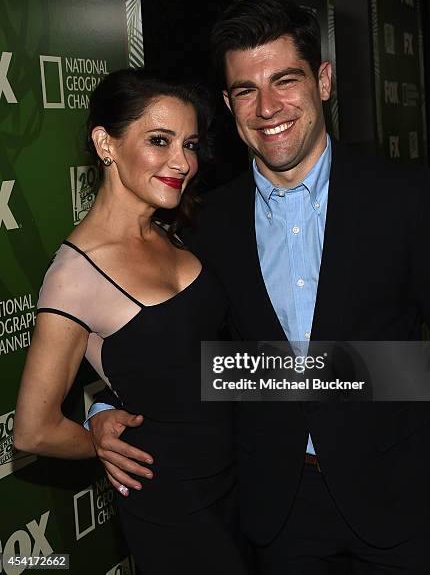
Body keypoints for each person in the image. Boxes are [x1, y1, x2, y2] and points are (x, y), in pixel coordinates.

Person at [87, 0, 430, 574]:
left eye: (285, 80)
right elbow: (175, 344)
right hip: (277, 510)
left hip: (401, 499)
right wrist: (104, 408)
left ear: (324, 81)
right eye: (244, 90)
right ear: (229, 105)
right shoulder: (204, 221)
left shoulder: (409, 197)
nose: (268, 107)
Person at [13, 68, 251, 575]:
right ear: (105, 143)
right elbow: (32, 430)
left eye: (189, 144)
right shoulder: (76, 274)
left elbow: (181, 360)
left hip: (237, 475)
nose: (182, 162)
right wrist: (98, 442)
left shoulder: (173, 230)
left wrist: (103, 403)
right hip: (173, 502)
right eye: (159, 141)